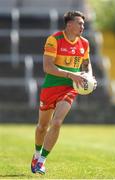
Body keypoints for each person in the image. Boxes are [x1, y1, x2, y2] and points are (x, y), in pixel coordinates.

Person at [31, 10, 97, 175]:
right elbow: (48, 67)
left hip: (70, 88)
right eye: (79, 23)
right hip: (51, 87)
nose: (83, 26)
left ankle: (41, 161)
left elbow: (86, 63)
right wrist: (71, 74)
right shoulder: (54, 40)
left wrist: (88, 75)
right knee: (42, 126)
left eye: (83, 23)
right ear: (69, 24)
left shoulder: (84, 43)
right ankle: (36, 154)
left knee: (57, 122)